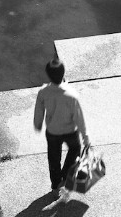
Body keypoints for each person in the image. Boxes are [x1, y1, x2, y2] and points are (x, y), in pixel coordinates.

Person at [33, 56, 89, 202]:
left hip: (52, 131)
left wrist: (38, 124)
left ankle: (55, 184)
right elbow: (79, 117)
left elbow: (39, 111)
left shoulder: (43, 92)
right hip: (70, 130)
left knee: (53, 158)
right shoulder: (72, 94)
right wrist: (86, 136)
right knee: (75, 149)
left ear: (48, 75)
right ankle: (66, 174)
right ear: (63, 73)